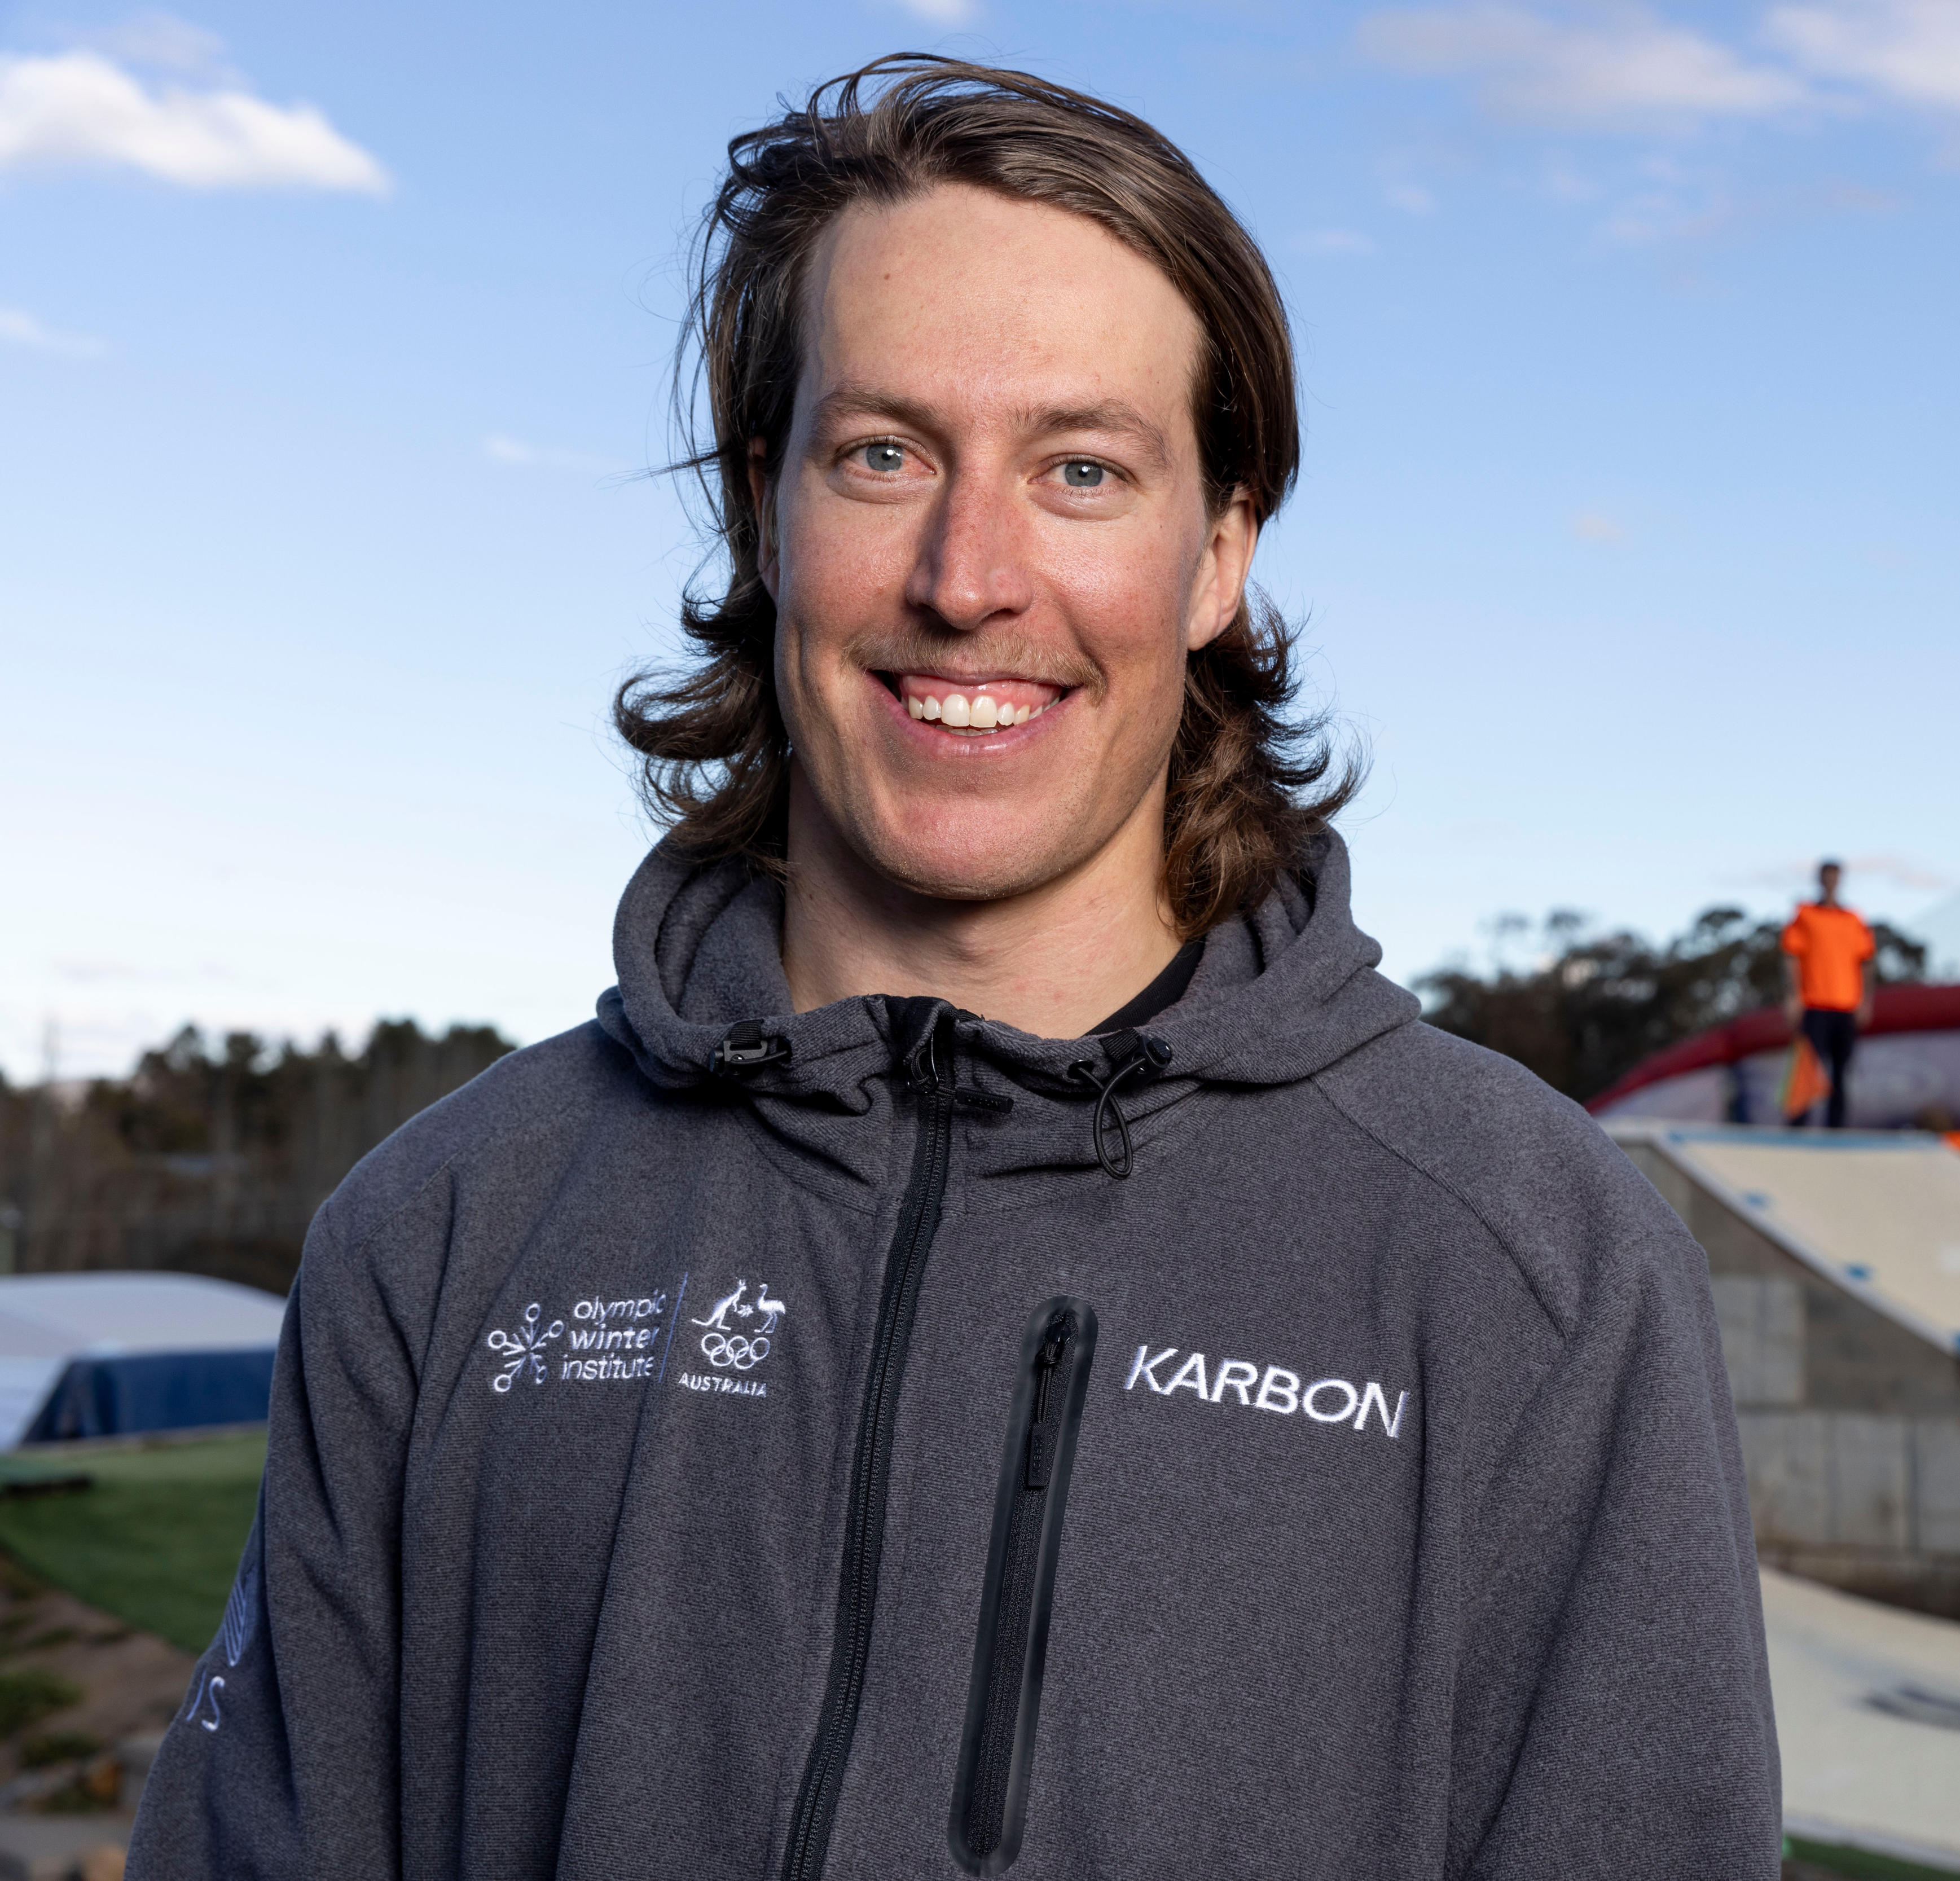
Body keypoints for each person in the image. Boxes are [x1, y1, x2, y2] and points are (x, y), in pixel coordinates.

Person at [129, 58, 1779, 1881]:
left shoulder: (1526, 1266)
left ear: (1219, 547)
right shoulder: (441, 1234)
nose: (968, 572)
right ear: (768, 505)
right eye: (885, 454)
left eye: (1081, 466)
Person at [1779, 859, 1876, 1127]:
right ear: (1820, 880)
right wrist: (1793, 996)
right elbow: (1791, 957)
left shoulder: (1853, 919)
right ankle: (1796, 1129)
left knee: (1841, 1073)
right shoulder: (1805, 914)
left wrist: (1866, 1001)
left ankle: (1836, 1131)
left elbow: (1866, 960)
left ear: (1840, 881)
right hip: (1814, 1004)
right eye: (1826, 877)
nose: (1831, 883)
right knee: (1807, 1068)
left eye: (1835, 878)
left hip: (1846, 1005)